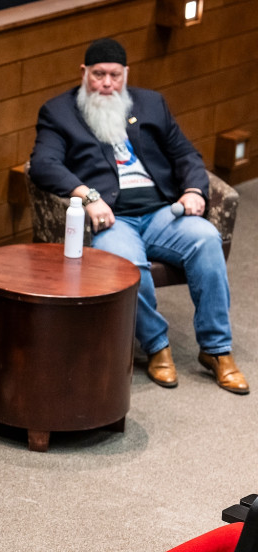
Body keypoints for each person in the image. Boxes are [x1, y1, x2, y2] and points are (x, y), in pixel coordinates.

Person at [30, 38, 248, 395]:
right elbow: (43, 165)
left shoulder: (150, 103)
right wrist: (88, 196)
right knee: (127, 263)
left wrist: (194, 190)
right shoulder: (59, 113)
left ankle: (216, 350)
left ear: (126, 74)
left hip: (163, 211)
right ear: (84, 73)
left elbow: (185, 155)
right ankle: (157, 346)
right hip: (113, 219)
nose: (106, 84)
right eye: (98, 74)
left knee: (206, 240)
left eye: (114, 75)